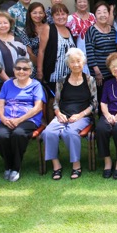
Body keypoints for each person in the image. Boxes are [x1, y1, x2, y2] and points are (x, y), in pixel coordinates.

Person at [43, 48, 97, 180]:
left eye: (78, 61)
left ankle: (76, 165)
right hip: (63, 115)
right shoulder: (61, 81)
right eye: (72, 62)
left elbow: (94, 104)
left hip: (82, 116)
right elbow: (55, 102)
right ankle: (56, 166)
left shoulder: (90, 80)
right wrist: (58, 112)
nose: (76, 64)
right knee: (47, 132)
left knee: (70, 132)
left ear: (83, 62)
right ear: (68, 64)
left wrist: (80, 115)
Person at [0, 58, 46, 182]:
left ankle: (16, 168)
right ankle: (8, 165)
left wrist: (19, 120)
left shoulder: (36, 85)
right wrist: (3, 118)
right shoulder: (7, 84)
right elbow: (0, 104)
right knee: (1, 135)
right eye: (18, 68)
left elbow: (38, 107)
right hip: (7, 118)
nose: (21, 71)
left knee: (18, 134)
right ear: (13, 70)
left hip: (28, 119)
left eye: (25, 69)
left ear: (30, 71)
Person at [39, 3, 76, 98]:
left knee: (67, 99)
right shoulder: (48, 28)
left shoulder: (68, 30)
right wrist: (40, 71)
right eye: (57, 14)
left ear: (67, 15)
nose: (61, 17)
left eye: (63, 14)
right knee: (53, 101)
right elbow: (41, 51)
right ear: (52, 17)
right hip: (53, 74)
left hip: (69, 74)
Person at [85, 0, 117, 102]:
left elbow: (116, 49)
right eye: (99, 12)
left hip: (113, 71)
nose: (102, 15)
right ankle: (101, 117)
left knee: (112, 96)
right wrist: (97, 72)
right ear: (95, 15)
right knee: (101, 98)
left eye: (105, 12)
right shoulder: (91, 30)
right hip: (99, 73)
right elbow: (90, 52)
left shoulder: (112, 29)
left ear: (109, 13)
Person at [67, 0, 95, 75]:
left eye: (84, 1)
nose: (82, 4)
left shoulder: (93, 16)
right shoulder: (70, 19)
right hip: (77, 55)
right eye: (79, 2)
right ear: (76, 4)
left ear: (88, 3)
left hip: (92, 54)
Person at [16, 2, 47, 77]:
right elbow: (29, 53)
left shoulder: (49, 27)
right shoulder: (25, 31)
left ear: (44, 14)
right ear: (29, 14)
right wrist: (41, 67)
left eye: (40, 13)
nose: (38, 15)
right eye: (34, 13)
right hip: (35, 66)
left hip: (51, 64)